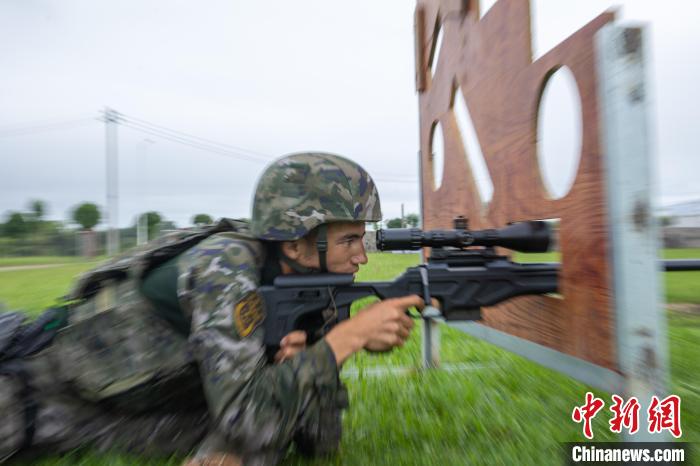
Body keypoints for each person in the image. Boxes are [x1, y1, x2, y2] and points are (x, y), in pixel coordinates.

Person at [0, 152, 424, 465]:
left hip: (141, 408)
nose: (361, 257)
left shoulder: (309, 280)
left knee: (254, 452)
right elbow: (247, 418)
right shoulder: (226, 266)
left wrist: (316, 357)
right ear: (295, 243)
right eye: (349, 241)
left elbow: (313, 439)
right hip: (39, 393)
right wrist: (342, 342)